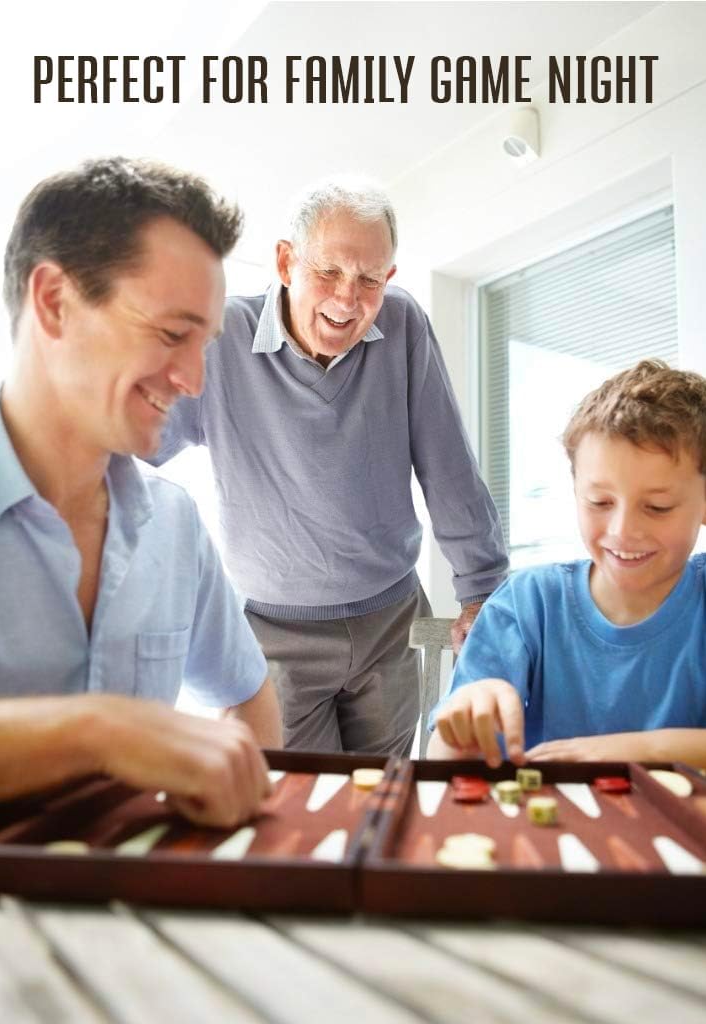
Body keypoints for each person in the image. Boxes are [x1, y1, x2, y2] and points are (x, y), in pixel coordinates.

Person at [151, 178, 508, 756]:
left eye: (370, 279)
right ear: (286, 262)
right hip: (274, 637)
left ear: (389, 278)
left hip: (390, 622)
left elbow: (448, 465)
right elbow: (133, 444)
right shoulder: (220, 337)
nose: (347, 300)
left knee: (384, 793)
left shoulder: (403, 324)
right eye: (329, 271)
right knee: (299, 801)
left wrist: (483, 589)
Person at [0, 157, 282, 824]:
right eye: (173, 334)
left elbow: (248, 698)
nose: (194, 381)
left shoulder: (174, 523)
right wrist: (96, 732)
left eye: (203, 344)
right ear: (54, 302)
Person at [429, 360, 706, 770]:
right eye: (599, 501)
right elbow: (442, 757)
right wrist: (463, 726)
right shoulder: (528, 604)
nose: (623, 530)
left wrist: (628, 751)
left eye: (658, 506)